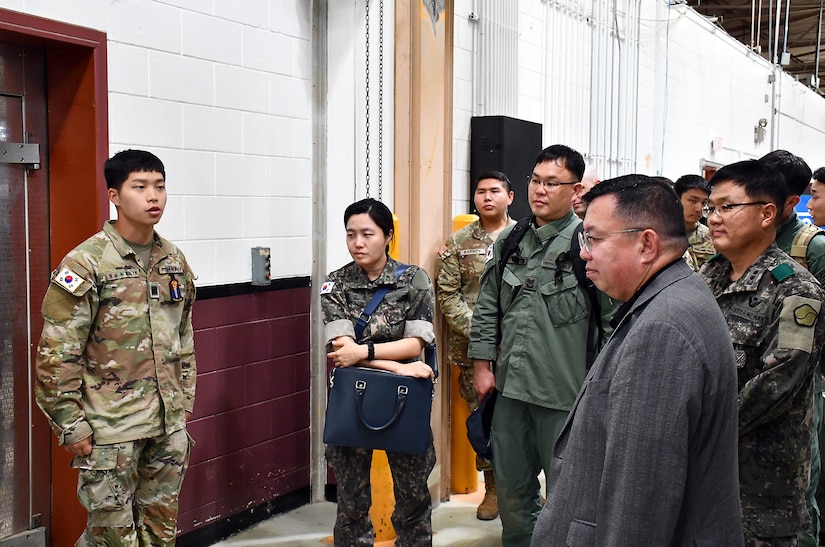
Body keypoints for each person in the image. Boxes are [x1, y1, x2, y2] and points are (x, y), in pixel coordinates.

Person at [531, 175, 743, 546]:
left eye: (594, 239)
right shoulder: (671, 296)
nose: (584, 253)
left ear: (647, 243)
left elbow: (638, 498)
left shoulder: (663, 327)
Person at [34, 149, 197, 546]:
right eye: (139, 187)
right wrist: (72, 426)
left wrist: (184, 402)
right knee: (112, 539)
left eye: (159, 186)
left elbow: (185, 337)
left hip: (166, 426)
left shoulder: (173, 260)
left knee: (161, 535)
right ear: (114, 195)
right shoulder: (87, 263)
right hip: (110, 432)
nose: (152, 196)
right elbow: (56, 356)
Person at [468, 144, 616, 546]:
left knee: (570, 499)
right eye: (536, 180)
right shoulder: (511, 241)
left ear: (576, 191)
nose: (540, 190)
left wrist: (602, 391)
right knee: (513, 494)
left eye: (553, 183)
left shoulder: (588, 246)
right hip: (511, 392)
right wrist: (482, 366)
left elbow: (612, 323)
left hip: (565, 397)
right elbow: (487, 308)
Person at [701, 159, 825, 546]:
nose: (714, 219)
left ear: (767, 214)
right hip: (705, 472)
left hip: (760, 484)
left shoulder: (796, 291)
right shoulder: (708, 275)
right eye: (711, 208)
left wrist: (700, 429)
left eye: (727, 207)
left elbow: (776, 385)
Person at [321, 198, 437, 545]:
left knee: (413, 499)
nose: (358, 242)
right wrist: (396, 367)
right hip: (353, 400)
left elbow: (415, 346)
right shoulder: (336, 284)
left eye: (367, 234)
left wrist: (363, 353)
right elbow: (343, 353)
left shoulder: (414, 279)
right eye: (351, 234)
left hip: (405, 403)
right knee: (352, 504)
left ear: (388, 235)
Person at [436, 171, 514, 520]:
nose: (487, 197)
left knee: (522, 421)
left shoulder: (525, 236)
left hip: (520, 348)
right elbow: (448, 295)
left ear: (509, 196)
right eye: (480, 192)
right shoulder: (458, 242)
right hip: (473, 354)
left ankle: (520, 489)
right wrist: (483, 335)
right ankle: (494, 490)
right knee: (484, 421)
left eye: (495, 191)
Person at [673, 174, 716, 271]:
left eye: (704, 203)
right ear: (676, 199)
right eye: (693, 201)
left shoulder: (711, 237)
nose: (699, 208)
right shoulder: (660, 234)